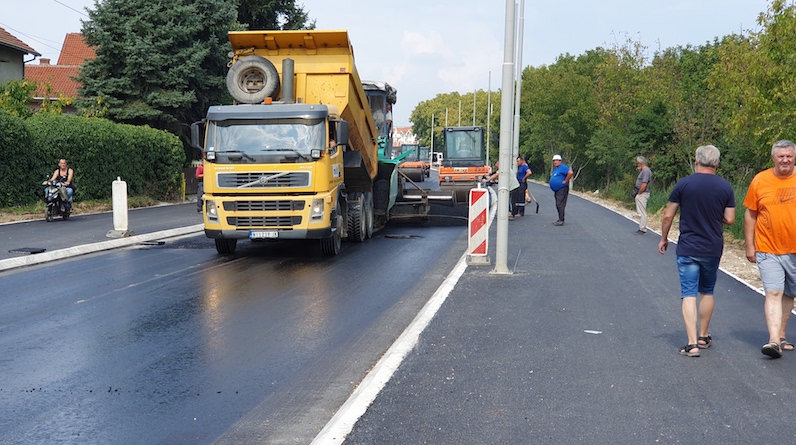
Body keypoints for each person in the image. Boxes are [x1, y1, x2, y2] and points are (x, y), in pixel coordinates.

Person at [657, 145, 735, 358]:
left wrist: (664, 238)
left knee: (688, 292)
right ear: (717, 163)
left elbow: (667, 216)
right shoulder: (725, 187)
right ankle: (703, 335)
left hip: (688, 247)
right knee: (707, 290)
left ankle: (692, 344)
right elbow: (729, 219)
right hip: (712, 247)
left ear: (696, 160)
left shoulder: (684, 184)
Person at [743, 139, 796, 359]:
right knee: (774, 291)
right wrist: (749, 244)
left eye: (789, 156)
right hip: (767, 248)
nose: (785, 160)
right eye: (781, 156)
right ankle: (773, 340)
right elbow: (750, 214)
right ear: (773, 157)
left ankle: (782, 334)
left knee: (790, 293)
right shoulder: (760, 180)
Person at [549, 154, 573, 226]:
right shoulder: (557, 169)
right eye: (554, 161)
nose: (555, 162)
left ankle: (561, 220)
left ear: (560, 161)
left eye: (556, 161)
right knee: (558, 204)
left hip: (562, 188)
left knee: (560, 204)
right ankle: (560, 218)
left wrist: (565, 181)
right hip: (558, 189)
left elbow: (570, 172)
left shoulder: (563, 167)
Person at [633, 156, 652, 235]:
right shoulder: (644, 171)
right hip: (642, 193)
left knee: (642, 212)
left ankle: (642, 229)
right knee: (640, 211)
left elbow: (644, 184)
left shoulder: (646, 171)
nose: (637, 165)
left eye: (638, 163)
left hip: (642, 193)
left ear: (640, 163)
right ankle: (641, 227)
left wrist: (639, 193)